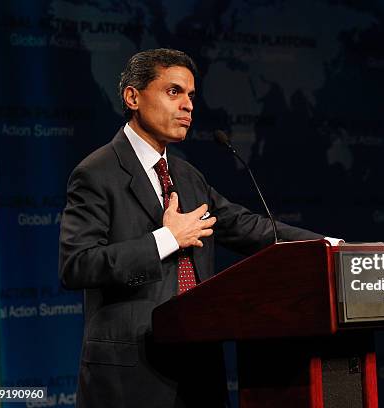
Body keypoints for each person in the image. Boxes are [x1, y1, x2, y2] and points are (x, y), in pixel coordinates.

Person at [58, 48, 332, 407]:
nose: (187, 105)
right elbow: (77, 264)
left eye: (190, 95)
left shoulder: (186, 175)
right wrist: (167, 238)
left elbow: (244, 225)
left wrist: (328, 245)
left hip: (199, 367)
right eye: (174, 92)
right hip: (131, 376)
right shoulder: (96, 172)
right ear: (133, 97)